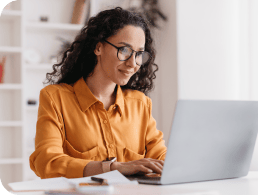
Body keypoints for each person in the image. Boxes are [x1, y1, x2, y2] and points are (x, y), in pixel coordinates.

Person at [29, 7, 167, 179]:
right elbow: (47, 162)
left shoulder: (140, 103)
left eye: (139, 54)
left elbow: (161, 160)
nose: (133, 63)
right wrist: (114, 167)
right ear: (98, 47)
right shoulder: (55, 98)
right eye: (124, 50)